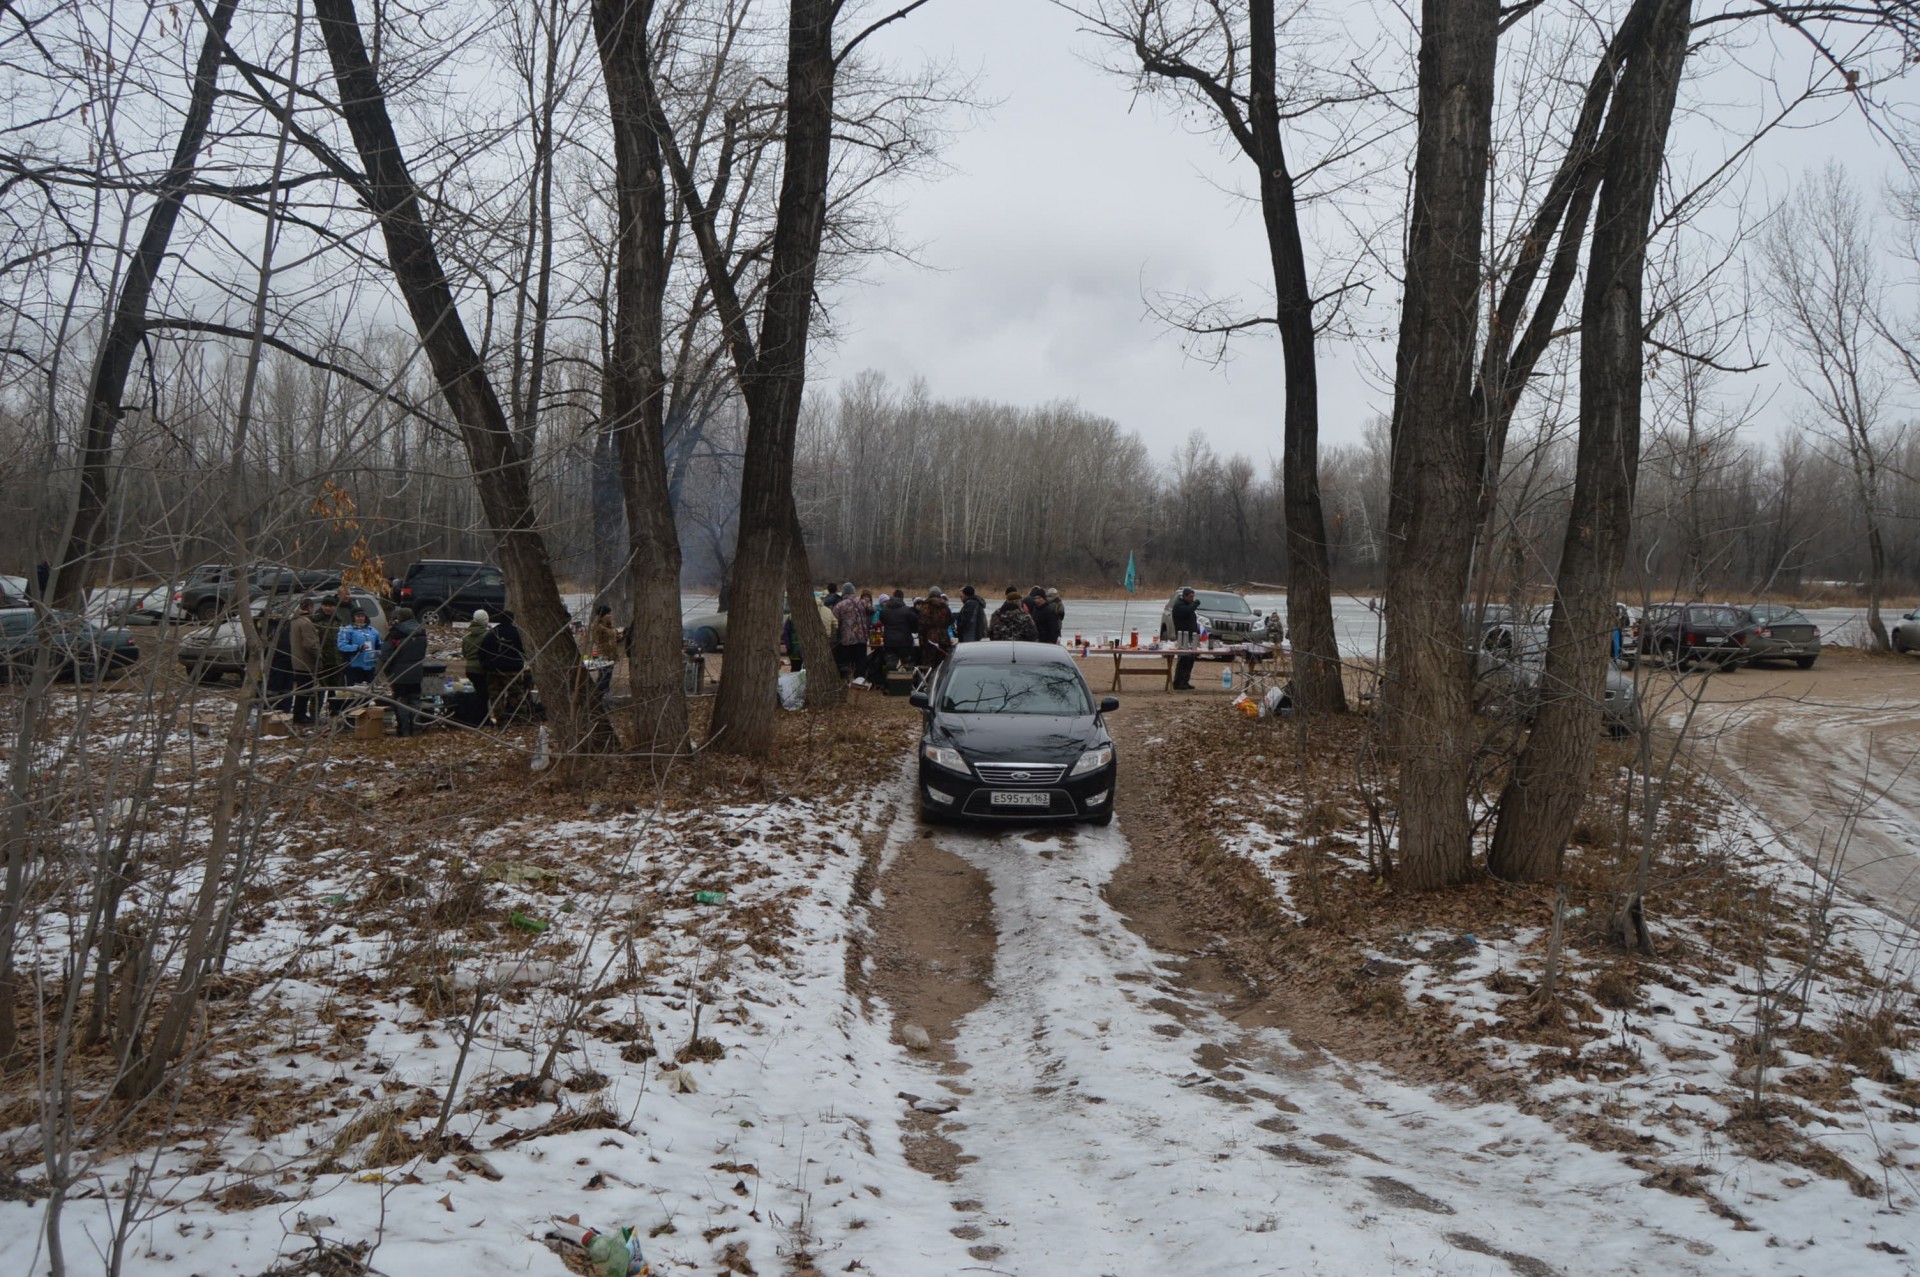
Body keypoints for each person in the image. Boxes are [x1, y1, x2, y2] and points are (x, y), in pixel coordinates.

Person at [381, 606, 429, 737]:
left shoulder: (395, 633)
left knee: (401, 701)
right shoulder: (421, 632)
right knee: (415, 701)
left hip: (399, 673)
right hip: (416, 671)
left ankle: (404, 730)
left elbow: (385, 656)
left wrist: (388, 674)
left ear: (400, 618)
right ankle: (416, 728)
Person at [479, 607, 528, 724]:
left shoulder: (492, 633)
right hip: (513, 670)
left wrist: (485, 664)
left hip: (494, 670)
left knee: (496, 696)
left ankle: (500, 719)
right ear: (512, 620)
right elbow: (524, 650)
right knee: (516, 694)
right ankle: (519, 719)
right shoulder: (517, 633)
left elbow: (481, 651)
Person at [288, 598, 320, 726]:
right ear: (310, 608)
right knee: (305, 690)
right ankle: (300, 715)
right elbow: (309, 644)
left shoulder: (294, 621)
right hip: (306, 661)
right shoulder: (306, 622)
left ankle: (299, 714)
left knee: (301, 689)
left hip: (296, 660)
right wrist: (319, 655)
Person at [313, 595, 347, 714]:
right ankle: (315, 713)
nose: (328, 608)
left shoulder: (339, 620)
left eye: (331, 606)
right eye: (325, 605)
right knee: (320, 689)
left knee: (335, 688)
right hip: (322, 661)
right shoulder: (316, 620)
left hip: (337, 660)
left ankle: (334, 710)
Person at [337, 607, 382, 688]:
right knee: (354, 691)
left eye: (362, 616)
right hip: (354, 666)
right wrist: (357, 648)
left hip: (370, 667)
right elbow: (341, 646)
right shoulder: (346, 630)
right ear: (353, 617)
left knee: (370, 690)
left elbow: (379, 644)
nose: (361, 618)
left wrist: (381, 650)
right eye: (358, 616)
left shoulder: (372, 630)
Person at [832, 582, 868, 677]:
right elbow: (873, 610)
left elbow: (834, 621)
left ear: (843, 592)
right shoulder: (862, 602)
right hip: (861, 638)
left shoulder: (839, 605)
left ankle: (847, 680)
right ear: (854, 591)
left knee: (846, 663)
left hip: (847, 639)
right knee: (861, 662)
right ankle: (859, 680)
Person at [880, 589, 919, 672]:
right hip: (905, 643)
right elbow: (915, 625)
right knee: (909, 667)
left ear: (893, 596)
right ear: (902, 598)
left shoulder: (884, 611)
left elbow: (883, 621)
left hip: (889, 643)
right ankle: (909, 679)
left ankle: (891, 678)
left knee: (890, 666)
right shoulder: (908, 610)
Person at [463, 608, 491, 721]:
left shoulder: (466, 638)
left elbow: (464, 653)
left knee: (478, 693)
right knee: (484, 696)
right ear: (486, 620)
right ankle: (483, 719)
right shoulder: (487, 636)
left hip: (469, 669)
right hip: (481, 669)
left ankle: (478, 717)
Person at [588, 604, 621, 699]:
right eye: (608, 614)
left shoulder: (608, 625)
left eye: (611, 613)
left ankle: (601, 696)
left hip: (610, 655)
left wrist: (618, 637)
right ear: (602, 615)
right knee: (604, 677)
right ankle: (602, 696)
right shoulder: (597, 626)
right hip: (602, 655)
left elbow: (610, 638)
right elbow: (596, 641)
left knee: (606, 676)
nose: (610, 616)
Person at [1171, 588, 1201, 690]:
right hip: (1183, 636)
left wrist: (1197, 632)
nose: (1192, 599)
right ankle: (1178, 682)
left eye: (1193, 597)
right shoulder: (1179, 605)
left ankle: (1185, 681)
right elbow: (1187, 611)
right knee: (1184, 659)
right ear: (1185, 596)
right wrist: (1196, 603)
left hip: (1191, 636)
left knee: (1190, 659)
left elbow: (1192, 619)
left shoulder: (1189, 605)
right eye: (1191, 597)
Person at [919, 588, 955, 669]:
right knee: (943, 663)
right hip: (944, 637)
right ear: (939, 595)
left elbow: (921, 624)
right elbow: (951, 620)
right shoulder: (945, 606)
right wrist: (943, 626)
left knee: (928, 663)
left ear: (929, 595)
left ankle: (929, 676)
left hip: (929, 639)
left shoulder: (925, 606)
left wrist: (922, 640)